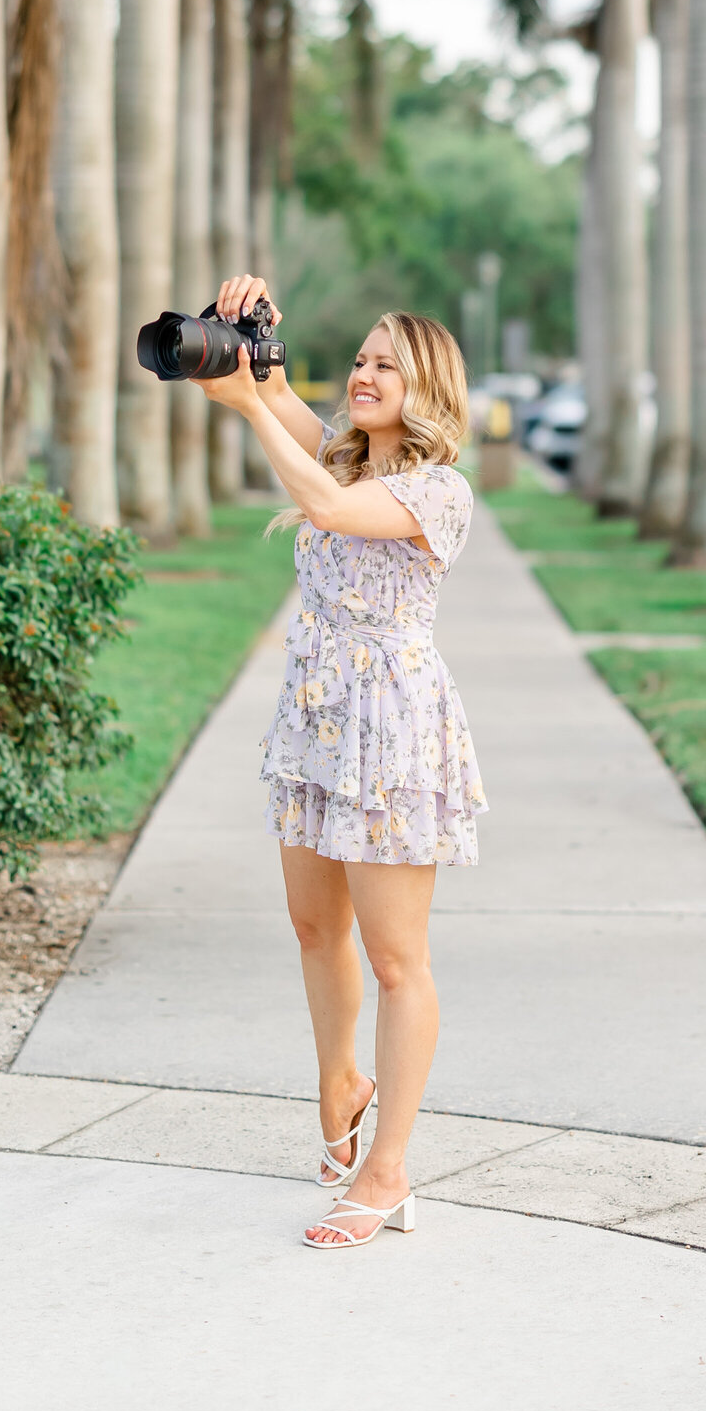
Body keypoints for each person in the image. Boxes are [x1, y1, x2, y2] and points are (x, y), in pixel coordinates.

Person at [198, 277, 486, 1250]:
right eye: (359, 359)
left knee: (398, 960)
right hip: (317, 721)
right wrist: (252, 339)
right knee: (312, 927)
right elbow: (284, 410)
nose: (363, 374)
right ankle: (339, 1082)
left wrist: (248, 409)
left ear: (428, 386)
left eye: (384, 364)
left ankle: (389, 1170)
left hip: (392, 732)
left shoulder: (435, 492)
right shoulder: (341, 455)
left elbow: (321, 503)